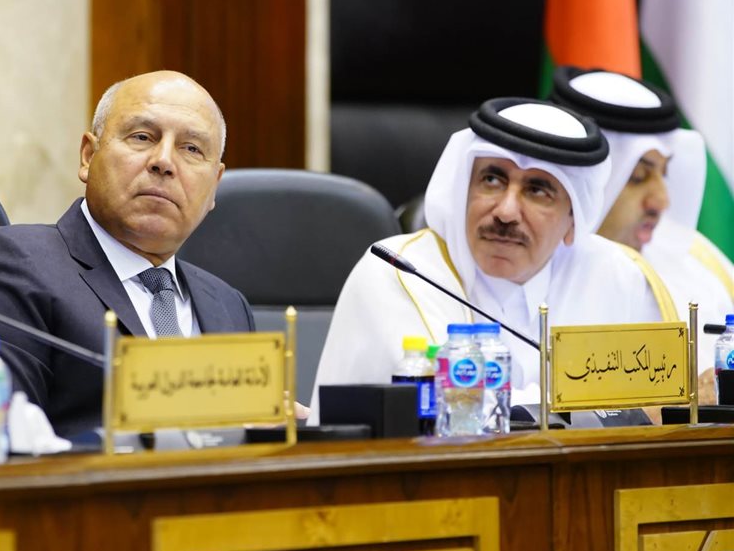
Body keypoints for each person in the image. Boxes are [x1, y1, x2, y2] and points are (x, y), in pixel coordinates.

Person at [307, 97, 675, 423]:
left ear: (573, 219)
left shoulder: (619, 277)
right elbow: (455, 413)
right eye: (492, 180)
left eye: (537, 190)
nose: (506, 212)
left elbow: (661, 409)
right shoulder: (400, 273)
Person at [0, 71, 256, 436]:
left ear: (214, 185)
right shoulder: (12, 263)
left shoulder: (228, 305)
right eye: (142, 137)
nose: (164, 161)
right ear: (89, 156)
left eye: (192, 149)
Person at [550, 67, 733, 403]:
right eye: (637, 176)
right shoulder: (529, 270)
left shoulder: (696, 258)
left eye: (664, 173)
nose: (661, 201)